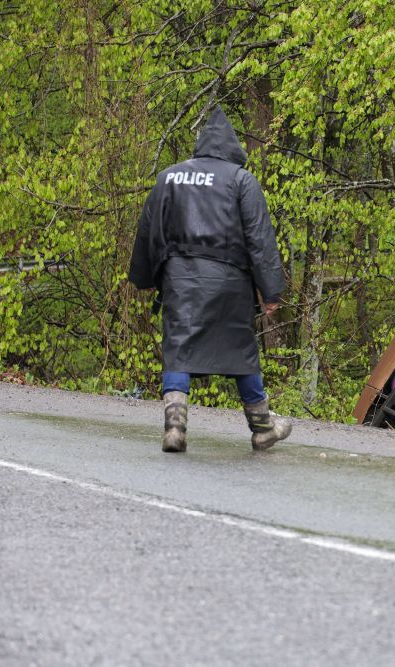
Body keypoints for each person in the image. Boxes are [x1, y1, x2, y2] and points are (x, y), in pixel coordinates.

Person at [128, 106, 291, 453]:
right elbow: (259, 238)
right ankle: (262, 428)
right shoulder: (240, 180)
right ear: (232, 148)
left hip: (181, 279)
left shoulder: (169, 177)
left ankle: (174, 427)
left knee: (178, 348)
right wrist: (270, 289)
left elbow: (149, 230)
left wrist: (144, 276)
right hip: (229, 281)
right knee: (241, 351)